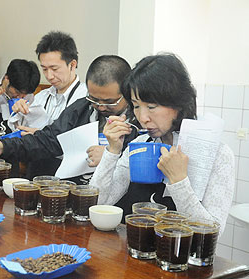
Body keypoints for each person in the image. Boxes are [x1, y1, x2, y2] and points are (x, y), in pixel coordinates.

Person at [90, 53, 234, 234]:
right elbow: (98, 203)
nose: (143, 118)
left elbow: (212, 233)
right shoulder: (140, 144)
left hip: (179, 259)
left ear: (178, 104)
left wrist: (179, 181)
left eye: (151, 107)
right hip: (136, 252)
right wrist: (112, 151)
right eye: (136, 105)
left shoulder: (218, 155)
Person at [0, 55, 138, 183]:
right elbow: (47, 140)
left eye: (109, 102)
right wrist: (3, 145)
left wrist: (113, 157)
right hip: (76, 192)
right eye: (94, 99)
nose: (101, 107)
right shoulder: (81, 108)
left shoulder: (139, 119)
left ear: (127, 92)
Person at [9, 31, 88, 134]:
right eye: (45, 69)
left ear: (72, 65)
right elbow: (20, 131)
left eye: (54, 69)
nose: (49, 76)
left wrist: (41, 136)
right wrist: (19, 112)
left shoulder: (86, 96)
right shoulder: (41, 97)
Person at [0, 59, 40, 137]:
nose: (20, 97)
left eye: (24, 94)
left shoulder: (29, 97)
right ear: (7, 78)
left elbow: (32, 125)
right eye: (17, 91)